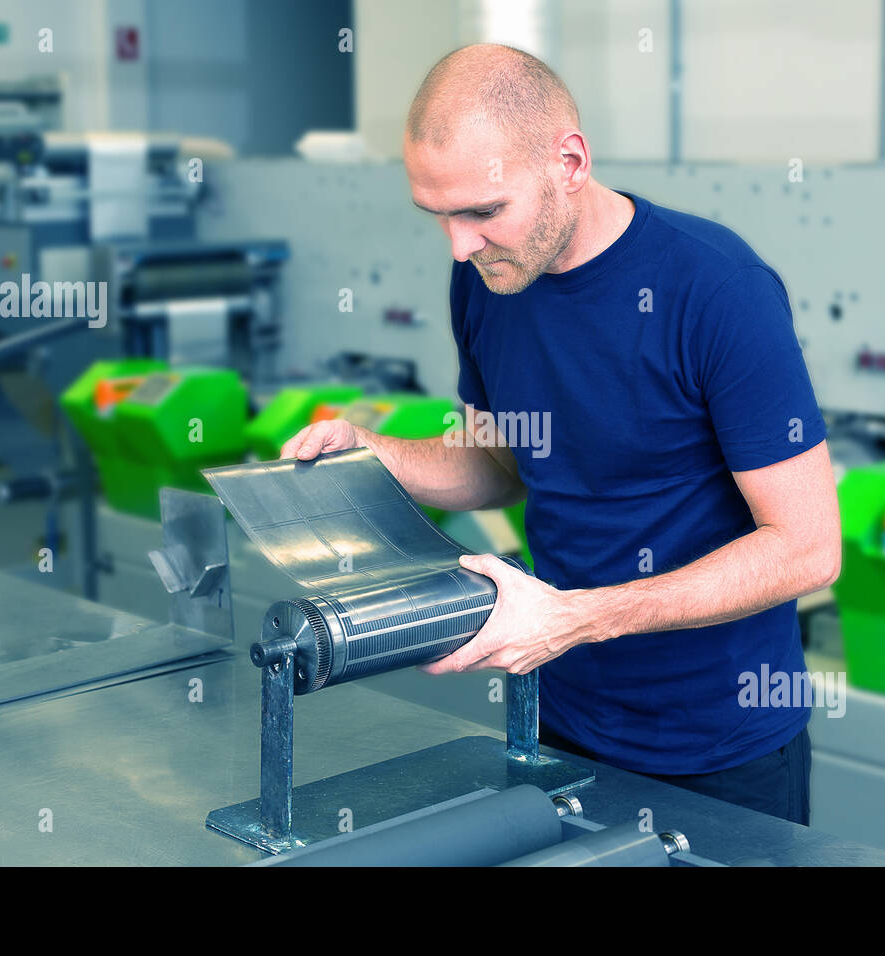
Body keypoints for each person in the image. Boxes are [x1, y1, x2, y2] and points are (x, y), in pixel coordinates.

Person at [280, 44, 840, 826]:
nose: (459, 244)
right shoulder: (486, 278)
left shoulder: (717, 290)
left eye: (482, 210)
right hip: (560, 718)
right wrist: (376, 454)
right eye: (438, 215)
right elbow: (506, 464)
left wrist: (577, 617)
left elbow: (808, 547)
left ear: (569, 162)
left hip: (720, 747)